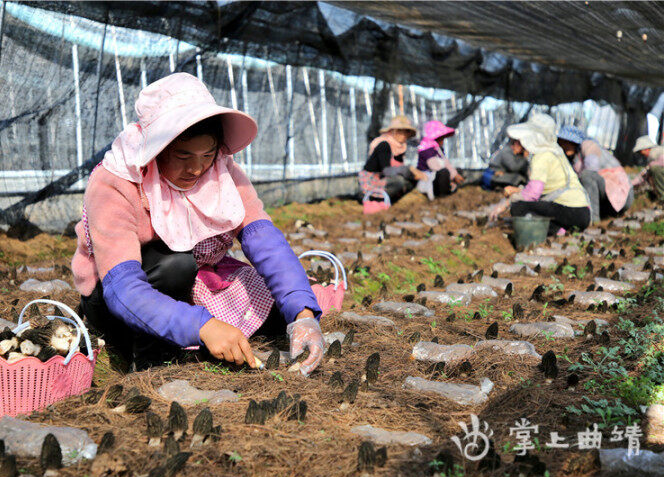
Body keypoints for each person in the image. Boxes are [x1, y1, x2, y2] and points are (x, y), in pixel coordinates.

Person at [71, 73, 324, 375]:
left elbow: (263, 239)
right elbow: (123, 288)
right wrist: (202, 326)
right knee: (174, 265)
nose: (196, 168)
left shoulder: (220, 171)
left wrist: (302, 313)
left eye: (207, 154)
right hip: (122, 296)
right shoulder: (116, 182)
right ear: (156, 148)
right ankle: (150, 358)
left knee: (279, 306)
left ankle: (193, 333)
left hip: (194, 280)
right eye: (183, 155)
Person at [489, 113, 590, 235]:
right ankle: (562, 229)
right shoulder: (555, 151)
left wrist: (506, 203)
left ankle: (556, 230)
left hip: (571, 211)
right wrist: (518, 191)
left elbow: (533, 194)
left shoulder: (541, 156)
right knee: (534, 208)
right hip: (582, 213)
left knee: (519, 208)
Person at [557, 126, 633, 223]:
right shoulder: (573, 159)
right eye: (561, 142)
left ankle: (593, 220)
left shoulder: (588, 145)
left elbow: (591, 169)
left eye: (565, 142)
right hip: (604, 197)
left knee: (587, 176)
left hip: (620, 194)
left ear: (574, 141)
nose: (563, 146)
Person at [359, 115, 429, 203]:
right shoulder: (384, 145)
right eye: (400, 131)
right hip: (374, 181)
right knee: (399, 182)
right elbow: (387, 171)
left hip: (387, 179)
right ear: (392, 131)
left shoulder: (400, 148)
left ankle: (394, 200)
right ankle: (377, 199)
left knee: (411, 182)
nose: (403, 135)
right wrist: (409, 169)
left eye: (406, 132)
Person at [417, 120, 464, 197]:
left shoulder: (438, 149)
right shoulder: (426, 150)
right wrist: (452, 176)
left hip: (438, 175)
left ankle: (451, 188)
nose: (442, 140)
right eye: (441, 138)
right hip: (428, 180)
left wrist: (455, 174)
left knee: (457, 171)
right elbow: (435, 166)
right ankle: (443, 195)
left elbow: (446, 163)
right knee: (443, 173)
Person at [632, 135, 664, 201]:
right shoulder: (652, 157)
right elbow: (644, 173)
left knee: (655, 169)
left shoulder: (654, 153)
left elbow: (650, 168)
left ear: (646, 149)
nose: (641, 154)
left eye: (641, 152)